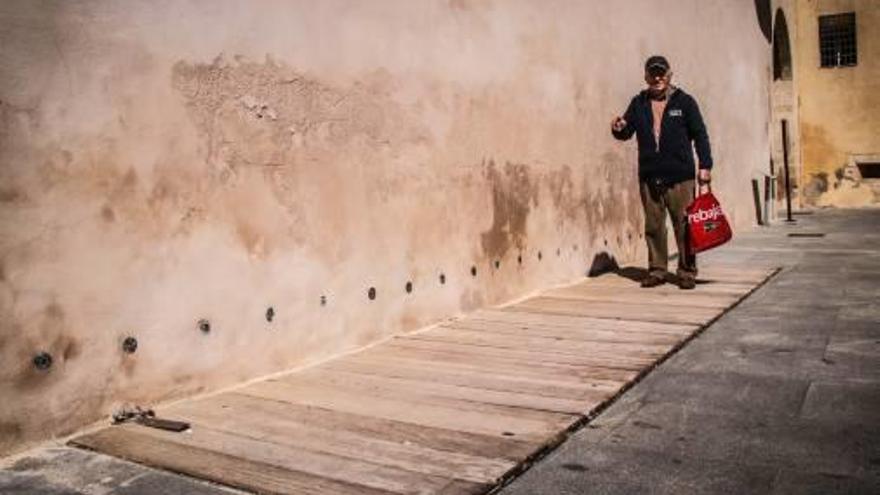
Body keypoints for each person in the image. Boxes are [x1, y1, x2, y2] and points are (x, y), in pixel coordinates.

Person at [611, 55, 713, 290]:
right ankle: (657, 270)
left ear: (669, 76)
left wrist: (705, 166)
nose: (657, 78)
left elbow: (700, 135)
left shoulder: (685, 102)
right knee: (654, 226)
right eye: (652, 73)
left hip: (680, 177)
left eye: (661, 73)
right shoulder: (638, 103)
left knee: (684, 225)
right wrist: (618, 128)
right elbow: (626, 132)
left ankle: (687, 271)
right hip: (650, 176)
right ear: (646, 76)